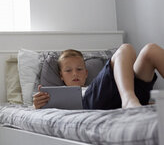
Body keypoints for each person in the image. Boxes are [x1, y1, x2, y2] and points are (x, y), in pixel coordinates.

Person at [33, 43, 164, 110]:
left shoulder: (95, 85)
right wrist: (39, 104)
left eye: (79, 69)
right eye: (68, 70)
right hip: (92, 103)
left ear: (86, 73)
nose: (75, 73)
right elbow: (41, 108)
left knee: (150, 50)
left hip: (123, 90)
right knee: (126, 48)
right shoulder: (60, 97)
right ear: (61, 76)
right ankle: (128, 100)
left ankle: (130, 99)